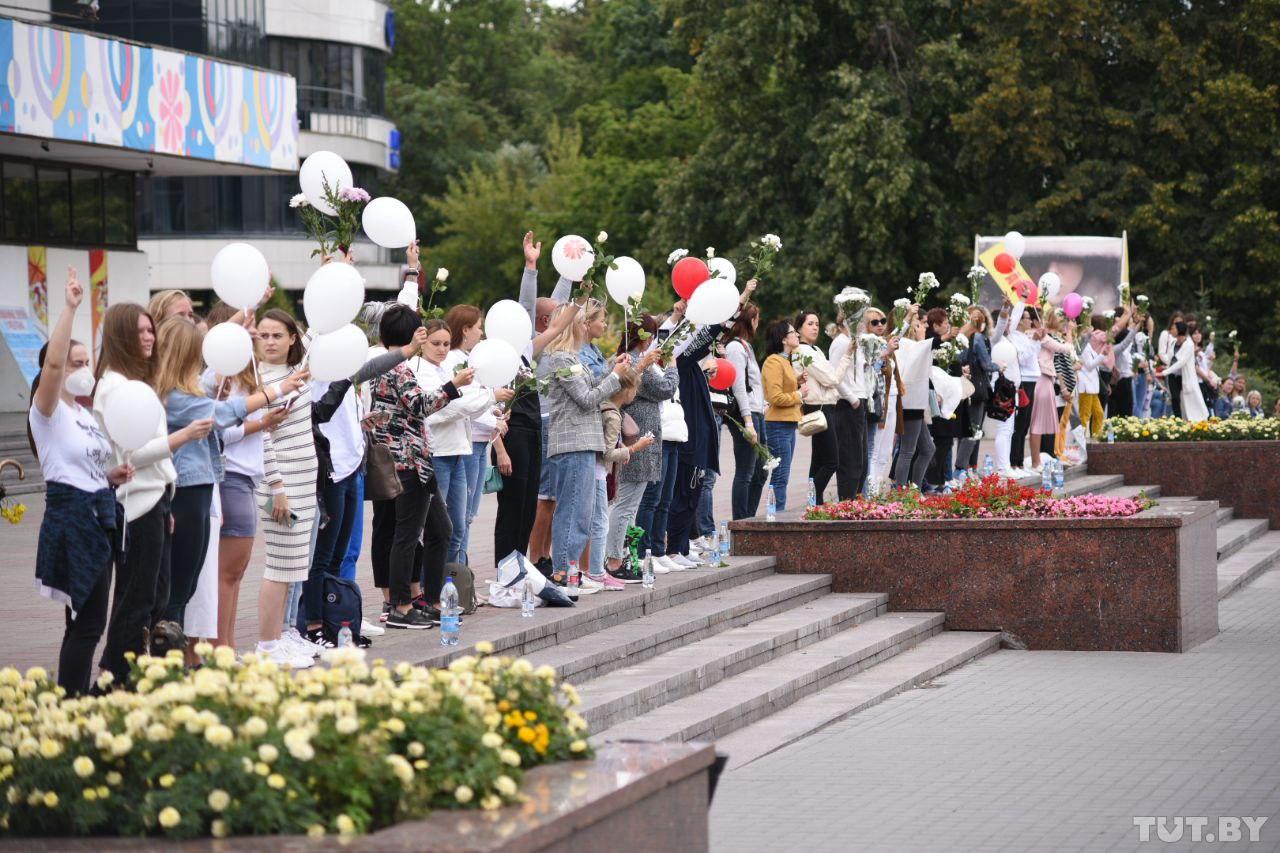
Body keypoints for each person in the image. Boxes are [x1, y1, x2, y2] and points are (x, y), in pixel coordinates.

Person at [152, 317, 306, 636]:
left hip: (206, 487)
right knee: (187, 585)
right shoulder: (174, 396)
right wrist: (276, 391)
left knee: (194, 582)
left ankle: (192, 652)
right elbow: (222, 415)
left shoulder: (185, 390)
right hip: (191, 488)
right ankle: (175, 657)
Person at [94, 303, 212, 683]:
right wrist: (183, 437)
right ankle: (118, 678)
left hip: (156, 500)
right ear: (121, 337)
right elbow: (128, 454)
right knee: (137, 599)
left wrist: (166, 494)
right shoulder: (113, 387)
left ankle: (128, 673)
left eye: (151, 331)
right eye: (140, 332)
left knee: (157, 597)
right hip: (134, 505)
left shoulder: (137, 384)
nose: (148, 338)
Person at [30, 269, 134, 694]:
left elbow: (86, 466)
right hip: (72, 518)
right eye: (75, 363)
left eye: (85, 362)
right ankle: (71, 702)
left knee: (87, 620)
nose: (82, 368)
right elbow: (54, 362)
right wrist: (71, 307)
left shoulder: (83, 415)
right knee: (88, 623)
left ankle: (71, 697)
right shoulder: (47, 410)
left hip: (98, 514)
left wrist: (108, 476)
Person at [301, 320, 423, 646]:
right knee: (324, 556)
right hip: (331, 469)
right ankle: (313, 627)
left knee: (343, 552)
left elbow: (364, 372)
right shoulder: (314, 365)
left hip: (353, 464)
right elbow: (322, 411)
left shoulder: (344, 369)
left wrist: (406, 351)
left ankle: (340, 620)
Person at [368, 307, 474, 628]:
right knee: (407, 534)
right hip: (405, 461)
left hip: (417, 459)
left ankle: (427, 599)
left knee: (440, 529)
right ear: (413, 335)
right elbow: (420, 405)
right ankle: (400, 606)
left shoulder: (391, 365)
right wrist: (453, 385)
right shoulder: (396, 369)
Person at [201, 303, 285, 649]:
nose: (256, 336)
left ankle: (227, 645)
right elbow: (219, 428)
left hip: (247, 477)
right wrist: (260, 423)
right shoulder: (217, 375)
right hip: (230, 475)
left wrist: (262, 425)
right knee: (227, 573)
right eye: (250, 328)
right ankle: (221, 647)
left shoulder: (245, 372)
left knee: (234, 574)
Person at [495, 233, 581, 567]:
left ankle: (526, 563)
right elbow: (530, 307)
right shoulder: (523, 344)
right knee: (528, 502)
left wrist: (570, 271)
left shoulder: (539, 342)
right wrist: (530, 268)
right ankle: (524, 561)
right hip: (524, 426)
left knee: (535, 501)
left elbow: (555, 310)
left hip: (540, 428)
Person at [252, 308, 323, 665]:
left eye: (277, 335)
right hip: (277, 488)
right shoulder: (257, 381)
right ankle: (266, 646)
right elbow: (261, 439)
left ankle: (280, 636)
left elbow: (320, 325)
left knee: (295, 566)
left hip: (304, 482)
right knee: (278, 566)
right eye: (263, 335)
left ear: (292, 338)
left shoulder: (297, 371)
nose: (269, 341)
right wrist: (277, 487)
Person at [543, 295, 627, 588]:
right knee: (573, 511)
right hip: (573, 443)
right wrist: (614, 377)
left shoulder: (575, 358)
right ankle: (564, 572)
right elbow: (586, 398)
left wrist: (611, 367)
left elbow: (590, 386)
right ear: (575, 326)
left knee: (583, 513)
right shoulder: (561, 358)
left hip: (584, 443)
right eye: (580, 322)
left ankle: (569, 572)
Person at [609, 314, 677, 577]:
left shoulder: (632, 361)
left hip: (641, 436)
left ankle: (620, 554)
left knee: (630, 503)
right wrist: (672, 366)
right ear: (646, 336)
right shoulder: (638, 363)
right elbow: (666, 388)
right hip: (637, 438)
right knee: (626, 503)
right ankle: (614, 559)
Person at [445, 304, 513, 564]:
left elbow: (477, 400)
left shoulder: (466, 358)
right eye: (478, 328)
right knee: (462, 516)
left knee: (467, 515)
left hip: (477, 440)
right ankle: (455, 577)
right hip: (469, 441)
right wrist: (491, 419)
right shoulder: (456, 361)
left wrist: (493, 413)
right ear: (465, 330)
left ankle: (461, 575)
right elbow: (463, 404)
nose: (481, 334)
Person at [590, 367, 654, 589]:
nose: (635, 394)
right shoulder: (613, 414)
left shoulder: (606, 409)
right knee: (600, 521)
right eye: (634, 389)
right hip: (600, 473)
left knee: (600, 520)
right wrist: (635, 448)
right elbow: (607, 453)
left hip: (601, 473)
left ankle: (598, 568)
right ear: (625, 391)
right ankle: (604, 568)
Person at [794, 309, 854, 502]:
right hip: (817, 407)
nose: (814, 328)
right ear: (799, 328)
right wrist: (847, 356)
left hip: (827, 406)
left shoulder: (816, 350)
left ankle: (815, 502)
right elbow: (831, 378)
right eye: (809, 324)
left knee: (819, 460)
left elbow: (830, 378)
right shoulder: (802, 351)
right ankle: (812, 497)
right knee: (831, 461)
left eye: (817, 324)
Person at [722, 305, 767, 518]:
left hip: (757, 412)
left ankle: (749, 516)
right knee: (746, 471)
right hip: (745, 414)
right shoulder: (735, 348)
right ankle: (741, 522)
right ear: (750, 320)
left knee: (761, 470)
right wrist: (748, 421)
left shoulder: (746, 346)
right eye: (756, 319)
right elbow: (738, 385)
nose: (758, 323)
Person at [991, 301, 1044, 472]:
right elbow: (1021, 358)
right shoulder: (1003, 337)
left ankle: (1013, 464)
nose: (1008, 324)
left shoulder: (1011, 337)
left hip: (1015, 385)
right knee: (1007, 429)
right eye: (1005, 321)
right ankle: (1007, 465)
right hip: (1004, 385)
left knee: (1016, 427)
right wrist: (1015, 303)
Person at [762, 319, 805, 510]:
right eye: (793, 332)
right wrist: (799, 394)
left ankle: (777, 515)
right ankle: (776, 517)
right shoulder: (773, 361)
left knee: (783, 474)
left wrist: (796, 381)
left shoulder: (785, 360)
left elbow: (782, 387)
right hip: (778, 424)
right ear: (783, 339)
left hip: (788, 423)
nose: (797, 335)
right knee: (780, 475)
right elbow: (775, 397)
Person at [827, 306, 870, 499]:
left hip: (858, 400)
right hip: (847, 403)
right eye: (860, 321)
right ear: (847, 321)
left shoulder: (854, 342)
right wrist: (853, 399)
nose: (863, 325)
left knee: (860, 459)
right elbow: (836, 375)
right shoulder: (840, 342)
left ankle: (855, 498)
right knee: (850, 459)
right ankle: (846, 500)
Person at [893, 310, 936, 489]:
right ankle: (901, 492)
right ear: (913, 328)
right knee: (907, 451)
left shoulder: (916, 346)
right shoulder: (909, 345)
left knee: (927, 449)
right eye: (920, 325)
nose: (924, 328)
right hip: (910, 403)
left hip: (916, 403)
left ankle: (914, 489)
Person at [955, 305, 995, 474]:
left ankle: (964, 469)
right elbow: (987, 364)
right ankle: (962, 469)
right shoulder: (977, 337)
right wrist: (1000, 366)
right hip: (976, 388)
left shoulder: (959, 337)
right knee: (973, 430)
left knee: (964, 430)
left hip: (962, 386)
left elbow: (959, 359)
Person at [867, 309, 903, 490]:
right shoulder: (868, 344)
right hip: (878, 400)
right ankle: (871, 489)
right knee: (874, 448)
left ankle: (878, 486)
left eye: (882, 321)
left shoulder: (885, 342)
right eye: (874, 322)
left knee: (887, 449)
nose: (880, 324)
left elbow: (902, 333)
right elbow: (870, 370)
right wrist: (884, 353)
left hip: (892, 399)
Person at [1156, 321, 1209, 423]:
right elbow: (1169, 359)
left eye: (1174, 328)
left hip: (1184, 376)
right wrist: (1160, 359)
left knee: (1189, 399)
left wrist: (1163, 373)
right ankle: (1178, 420)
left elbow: (1181, 362)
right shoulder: (1173, 342)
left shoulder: (1189, 344)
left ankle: (1197, 420)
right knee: (1175, 399)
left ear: (1179, 330)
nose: (1171, 330)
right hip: (1173, 375)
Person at [1158, 312, 1184, 418]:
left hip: (1183, 371)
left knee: (1182, 397)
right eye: (1175, 323)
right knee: (1173, 397)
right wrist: (1170, 363)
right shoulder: (1166, 334)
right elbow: (1161, 352)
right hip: (1171, 370)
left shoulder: (1185, 337)